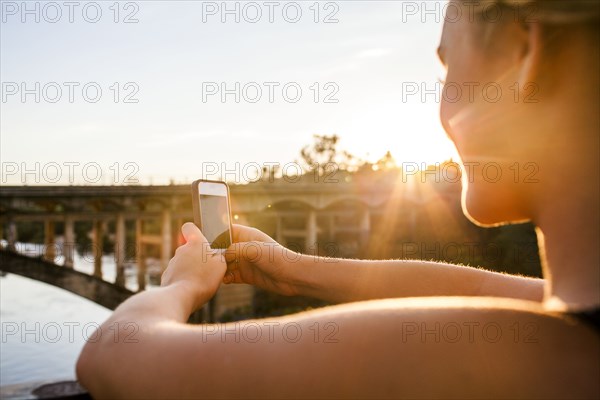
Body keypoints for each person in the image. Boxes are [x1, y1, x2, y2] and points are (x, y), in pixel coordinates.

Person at [76, 1, 599, 398]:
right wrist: (295, 268)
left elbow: (113, 353)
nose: (442, 103)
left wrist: (184, 284)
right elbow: (490, 290)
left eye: (446, 70)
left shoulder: (532, 353)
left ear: (521, 55)